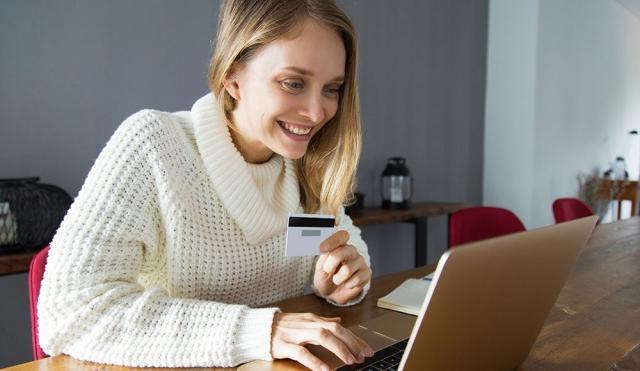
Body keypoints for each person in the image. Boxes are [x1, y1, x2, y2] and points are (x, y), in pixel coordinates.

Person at [38, 1, 374, 370]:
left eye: (331, 89)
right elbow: (72, 312)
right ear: (232, 78)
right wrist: (261, 330)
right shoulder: (154, 146)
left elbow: (346, 244)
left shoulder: (307, 163)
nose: (316, 112)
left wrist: (341, 281)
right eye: (293, 83)